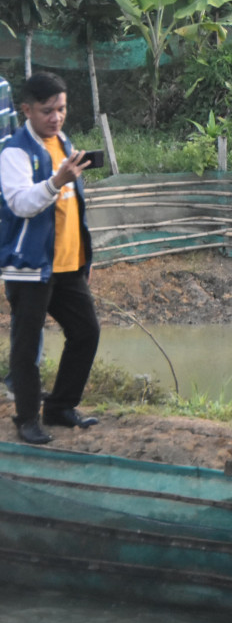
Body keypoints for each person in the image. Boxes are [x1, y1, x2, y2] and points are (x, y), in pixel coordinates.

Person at [1, 72, 101, 445]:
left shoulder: (63, 141)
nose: (56, 117)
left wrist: (85, 257)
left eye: (61, 108)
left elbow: (74, 207)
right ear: (26, 110)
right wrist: (55, 182)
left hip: (68, 264)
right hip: (30, 266)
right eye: (47, 111)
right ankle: (26, 418)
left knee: (86, 332)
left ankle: (60, 406)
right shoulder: (14, 151)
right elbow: (20, 203)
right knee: (27, 346)